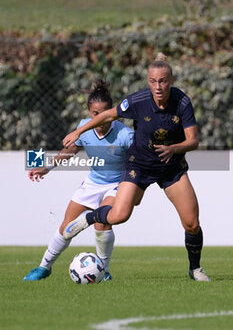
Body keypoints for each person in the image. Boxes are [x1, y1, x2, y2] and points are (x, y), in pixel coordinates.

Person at [62, 53, 210, 282]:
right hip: (139, 165)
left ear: (170, 80)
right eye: (153, 81)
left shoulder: (182, 102)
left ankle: (195, 269)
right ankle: (89, 219)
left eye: (162, 80)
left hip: (171, 166)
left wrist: (174, 148)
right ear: (148, 81)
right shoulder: (138, 101)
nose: (158, 86)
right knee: (119, 215)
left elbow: (193, 141)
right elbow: (106, 115)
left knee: (192, 223)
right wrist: (78, 132)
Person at [23, 80, 134, 281]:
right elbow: (71, 149)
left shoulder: (125, 134)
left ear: (112, 111)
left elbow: (140, 160)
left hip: (117, 184)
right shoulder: (83, 127)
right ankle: (44, 267)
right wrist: (48, 166)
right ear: (89, 112)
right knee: (67, 227)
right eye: (95, 113)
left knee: (102, 223)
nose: (99, 118)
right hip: (92, 183)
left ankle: (104, 270)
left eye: (104, 112)